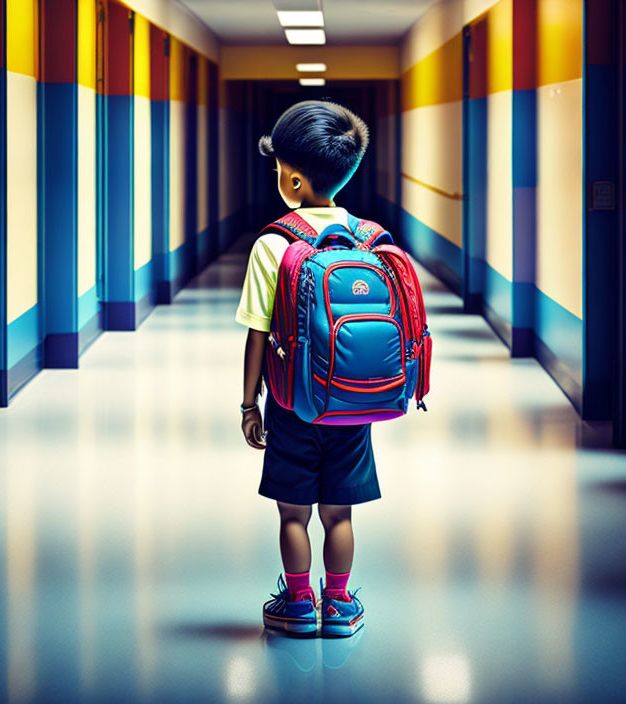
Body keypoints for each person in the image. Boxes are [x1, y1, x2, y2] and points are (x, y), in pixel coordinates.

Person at [235, 100, 375, 638]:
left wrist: (251, 405)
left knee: (293, 515)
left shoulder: (274, 244)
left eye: (277, 171)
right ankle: (338, 607)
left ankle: (297, 605)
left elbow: (257, 333)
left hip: (292, 405)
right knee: (339, 515)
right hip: (351, 406)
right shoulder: (367, 239)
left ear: (291, 180)